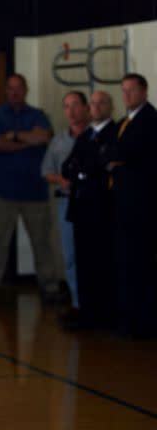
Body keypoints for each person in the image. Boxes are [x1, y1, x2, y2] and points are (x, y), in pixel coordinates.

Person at [0, 73, 59, 304]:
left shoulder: (38, 115)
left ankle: (50, 287)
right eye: (10, 88)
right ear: (5, 90)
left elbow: (43, 138)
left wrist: (12, 137)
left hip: (35, 191)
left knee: (42, 242)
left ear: (26, 90)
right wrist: (26, 141)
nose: (14, 92)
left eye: (18, 88)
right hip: (2, 192)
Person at [62, 90, 117, 330]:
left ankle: (104, 313)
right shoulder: (86, 136)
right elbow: (68, 167)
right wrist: (81, 172)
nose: (95, 107)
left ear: (109, 107)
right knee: (82, 262)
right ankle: (86, 311)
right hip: (81, 207)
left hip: (102, 209)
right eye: (92, 103)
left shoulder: (114, 133)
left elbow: (100, 167)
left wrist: (83, 172)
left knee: (102, 262)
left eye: (100, 103)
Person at [109, 73, 157, 338]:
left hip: (140, 204)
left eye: (132, 91)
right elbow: (110, 153)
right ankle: (128, 317)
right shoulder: (124, 122)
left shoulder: (149, 121)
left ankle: (142, 321)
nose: (126, 96)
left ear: (144, 92)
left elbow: (126, 154)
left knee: (140, 262)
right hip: (124, 202)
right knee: (125, 261)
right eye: (123, 91)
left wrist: (120, 160)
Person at [41, 90, 90, 320]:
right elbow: (46, 171)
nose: (70, 111)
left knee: (93, 254)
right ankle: (77, 303)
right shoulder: (59, 141)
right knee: (70, 256)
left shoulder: (94, 135)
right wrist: (60, 180)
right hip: (66, 201)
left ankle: (96, 303)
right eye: (66, 106)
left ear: (86, 108)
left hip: (91, 203)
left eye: (75, 105)